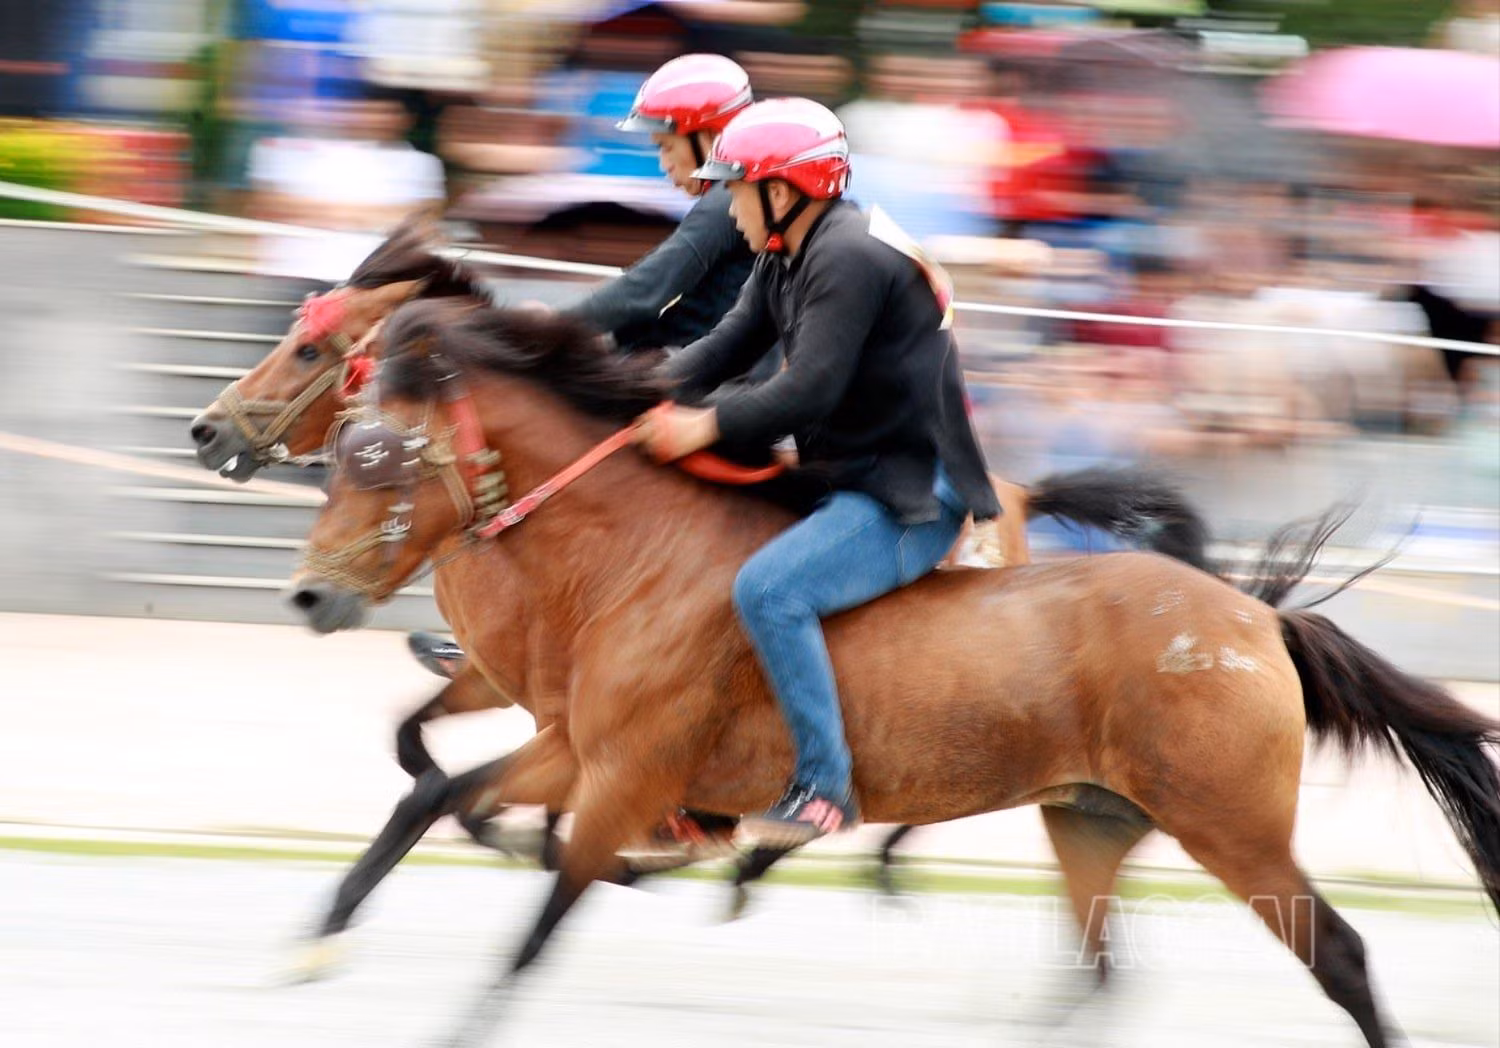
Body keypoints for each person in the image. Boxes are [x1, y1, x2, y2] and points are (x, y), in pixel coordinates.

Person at [634, 97, 1001, 846]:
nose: (725, 204)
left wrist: (700, 425)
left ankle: (826, 789)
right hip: (852, 477)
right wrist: (625, 395)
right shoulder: (787, 253)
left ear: (781, 190)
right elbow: (723, 349)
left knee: (767, 589)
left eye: (734, 188)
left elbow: (808, 389)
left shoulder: (847, 256)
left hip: (911, 498)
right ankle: (710, 793)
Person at [411, 53, 761, 670]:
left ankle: (538, 635)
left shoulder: (726, 201)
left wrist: (547, 330)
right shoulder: (722, 202)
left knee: (569, 464)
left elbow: (647, 289)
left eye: (666, 145)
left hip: (718, 377)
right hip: (687, 361)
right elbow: (651, 299)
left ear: (705, 134)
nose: (662, 162)